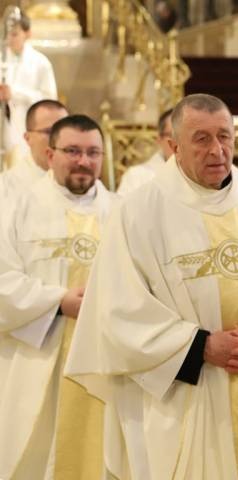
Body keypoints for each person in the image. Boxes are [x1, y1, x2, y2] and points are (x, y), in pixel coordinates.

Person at [65, 94, 238, 479]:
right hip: (187, 394)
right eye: (201, 139)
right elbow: (119, 313)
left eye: (224, 136)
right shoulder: (138, 211)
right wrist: (202, 345)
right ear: (174, 147)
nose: (217, 150)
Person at [0, 114, 116, 479]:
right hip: (37, 360)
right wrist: (59, 302)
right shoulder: (15, 208)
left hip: (107, 361)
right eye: (73, 151)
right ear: (51, 155)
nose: (84, 161)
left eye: (93, 153)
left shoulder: (123, 211)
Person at [1, 11, 57, 161]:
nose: (9, 39)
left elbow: (50, 102)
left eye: (14, 34)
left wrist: (15, 93)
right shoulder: (1, 60)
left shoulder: (41, 63)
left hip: (27, 129)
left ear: (27, 34)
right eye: (6, 34)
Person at [0, 99, 68, 206]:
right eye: (49, 132)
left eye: (65, 131)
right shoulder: (6, 187)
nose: (59, 138)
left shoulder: (82, 179)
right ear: (28, 138)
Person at [116, 108, 174, 195]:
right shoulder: (137, 176)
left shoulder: (196, 176)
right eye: (173, 135)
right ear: (159, 139)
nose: (181, 142)